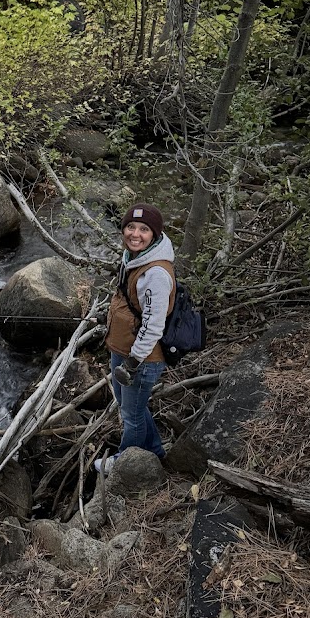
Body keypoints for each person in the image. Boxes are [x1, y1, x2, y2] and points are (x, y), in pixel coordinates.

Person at [98, 203, 175, 474]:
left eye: (144, 229)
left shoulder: (155, 274)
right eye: (131, 227)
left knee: (131, 416)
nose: (135, 234)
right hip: (123, 348)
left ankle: (123, 463)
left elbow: (154, 326)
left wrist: (132, 364)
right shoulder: (133, 258)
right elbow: (130, 302)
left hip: (140, 359)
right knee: (132, 407)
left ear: (154, 234)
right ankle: (154, 450)